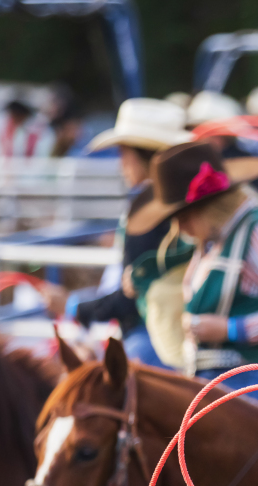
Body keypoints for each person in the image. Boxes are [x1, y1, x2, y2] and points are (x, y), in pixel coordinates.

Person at [126, 142, 258, 402]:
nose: (179, 227)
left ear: (206, 209)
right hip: (216, 385)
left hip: (248, 388)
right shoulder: (217, 240)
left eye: (183, 217)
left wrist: (232, 329)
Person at [40, 98, 193, 367]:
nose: (121, 163)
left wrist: (75, 307)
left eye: (124, 153)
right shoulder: (179, 204)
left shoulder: (147, 213)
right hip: (173, 334)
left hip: (154, 340)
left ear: (141, 156)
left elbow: (132, 296)